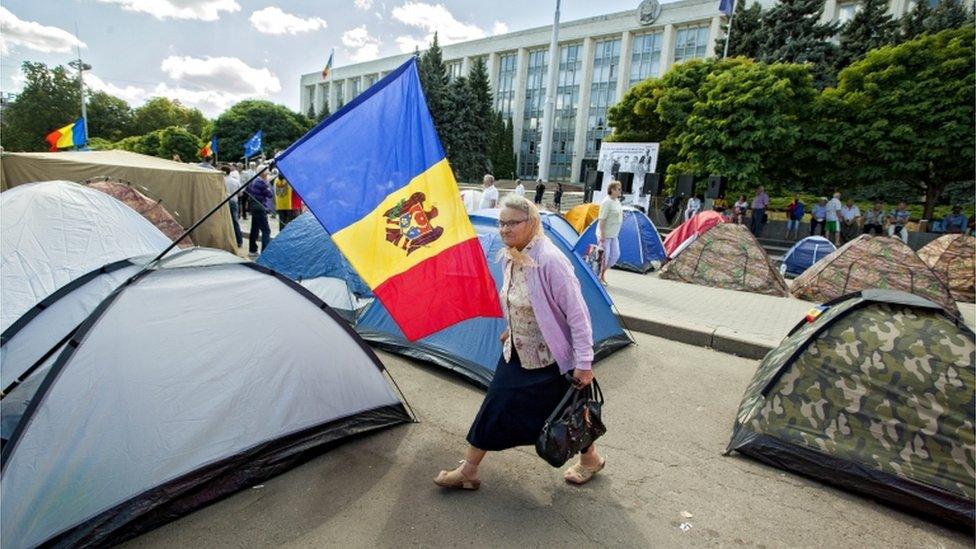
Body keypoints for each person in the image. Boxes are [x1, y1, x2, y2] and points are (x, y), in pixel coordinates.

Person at [434, 195, 603, 491]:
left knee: (568, 416)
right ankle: (469, 470)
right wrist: (511, 328)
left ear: (532, 223)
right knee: (495, 405)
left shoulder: (551, 261)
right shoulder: (512, 254)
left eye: (512, 223)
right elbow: (520, 300)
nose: (504, 229)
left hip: (552, 360)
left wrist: (584, 364)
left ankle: (591, 461)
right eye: (501, 223)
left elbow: (579, 316)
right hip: (517, 352)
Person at [597, 181, 624, 285]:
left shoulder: (617, 201)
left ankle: (602, 273)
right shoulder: (606, 202)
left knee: (615, 256)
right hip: (605, 235)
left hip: (614, 234)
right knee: (605, 257)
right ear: (612, 190)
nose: (620, 191)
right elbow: (602, 219)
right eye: (618, 189)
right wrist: (602, 235)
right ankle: (599, 277)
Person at [247, 171, 274, 255]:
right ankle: (265, 252)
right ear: (264, 175)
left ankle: (252, 250)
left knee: (254, 229)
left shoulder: (253, 181)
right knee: (266, 230)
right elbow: (270, 194)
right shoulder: (262, 183)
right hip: (260, 207)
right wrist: (267, 185)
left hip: (253, 206)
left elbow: (246, 190)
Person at [221, 165, 243, 248]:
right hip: (234, 201)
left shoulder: (221, 181)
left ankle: (226, 241)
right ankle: (239, 241)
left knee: (224, 221)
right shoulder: (235, 181)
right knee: (235, 222)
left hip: (224, 201)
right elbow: (240, 193)